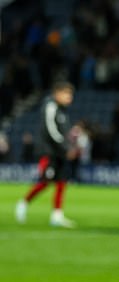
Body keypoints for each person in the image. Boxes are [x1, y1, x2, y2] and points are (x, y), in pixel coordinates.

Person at [15, 81, 78, 228]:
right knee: (45, 182)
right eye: (67, 94)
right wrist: (66, 147)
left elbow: (63, 132)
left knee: (62, 182)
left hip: (59, 152)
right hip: (48, 152)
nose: (70, 97)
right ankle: (23, 203)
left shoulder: (63, 111)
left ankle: (57, 215)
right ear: (57, 93)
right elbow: (51, 131)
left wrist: (69, 146)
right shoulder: (50, 107)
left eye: (71, 94)